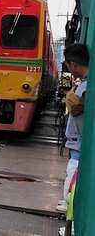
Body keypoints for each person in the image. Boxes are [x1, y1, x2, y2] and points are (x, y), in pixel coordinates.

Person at [57, 44, 88, 213]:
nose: (70, 71)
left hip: (80, 149)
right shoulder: (84, 83)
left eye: (69, 67)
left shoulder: (85, 87)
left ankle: (74, 226)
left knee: (72, 192)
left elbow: (74, 104)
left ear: (74, 65)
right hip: (78, 146)